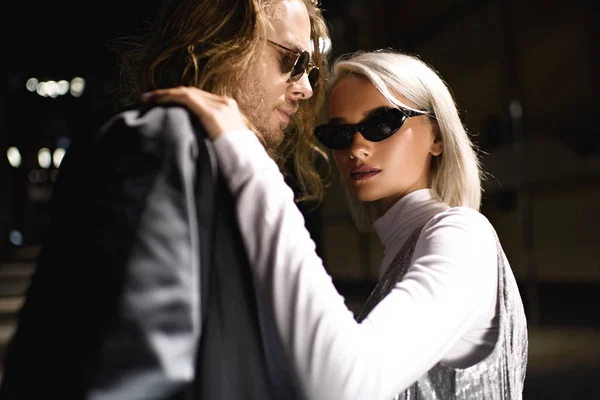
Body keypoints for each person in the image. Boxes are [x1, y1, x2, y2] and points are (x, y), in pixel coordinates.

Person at [140, 49, 529, 399]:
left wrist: (245, 157)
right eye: (340, 133)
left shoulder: (462, 234)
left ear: (438, 137)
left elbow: (347, 385)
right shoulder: (407, 245)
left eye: (382, 124)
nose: (358, 147)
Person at [0, 0, 329, 399]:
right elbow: (128, 377)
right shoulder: (162, 143)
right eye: (292, 61)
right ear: (225, 43)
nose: (306, 88)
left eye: (310, 70)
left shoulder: (221, 160)